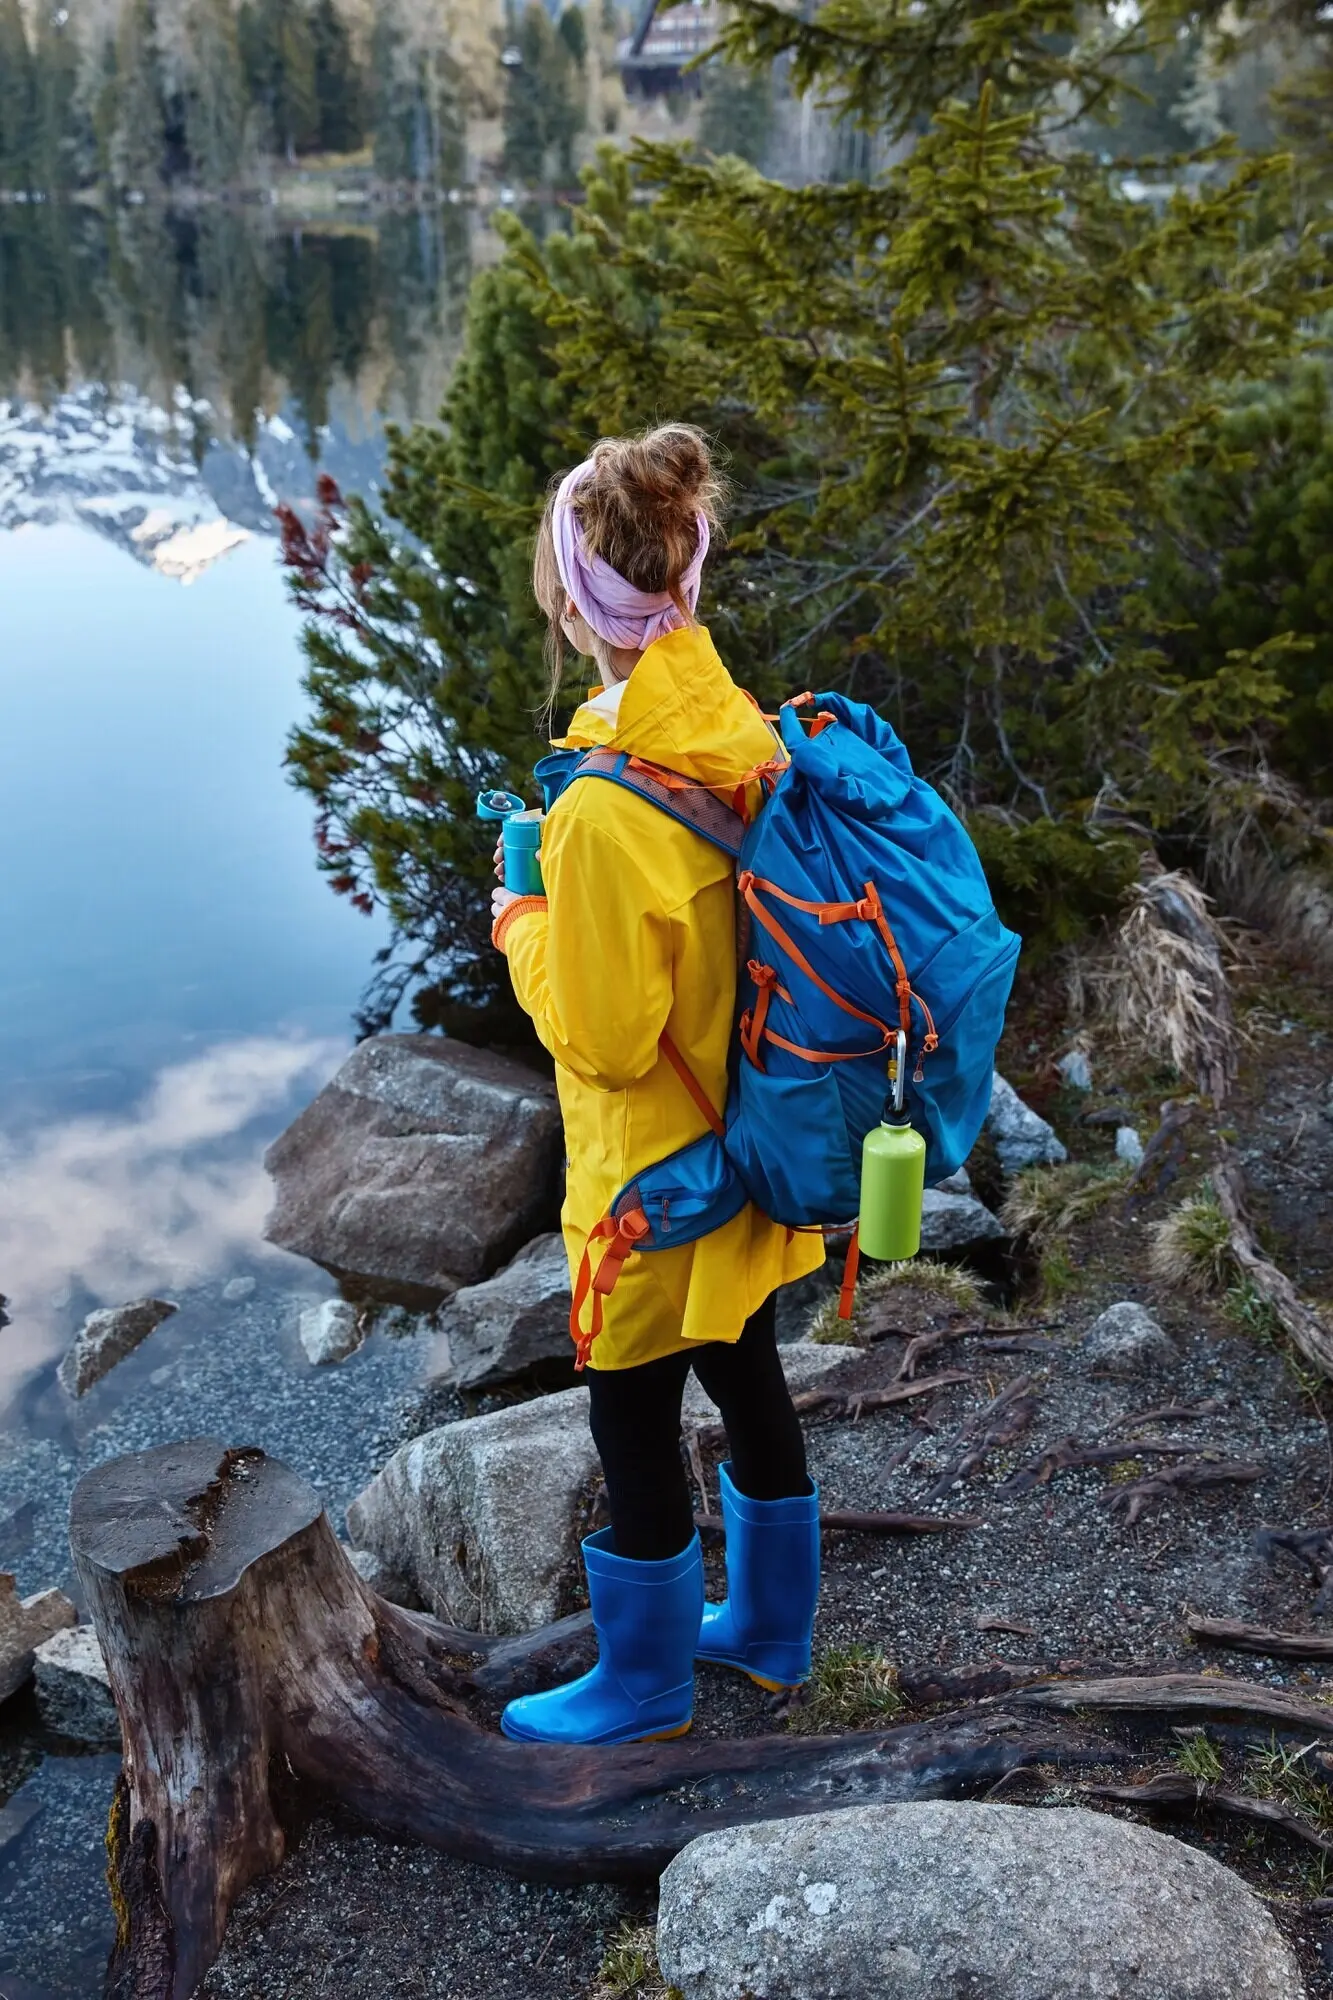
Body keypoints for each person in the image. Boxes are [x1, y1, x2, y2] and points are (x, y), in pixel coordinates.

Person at [489, 423, 825, 1748]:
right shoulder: (735, 729)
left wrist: (522, 920)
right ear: (684, 583)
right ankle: (773, 1632)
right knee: (747, 1369)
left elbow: (607, 1038)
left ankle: (645, 1685)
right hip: (751, 1144)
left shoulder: (599, 813)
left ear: (579, 606)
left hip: (649, 1175)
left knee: (629, 1408)